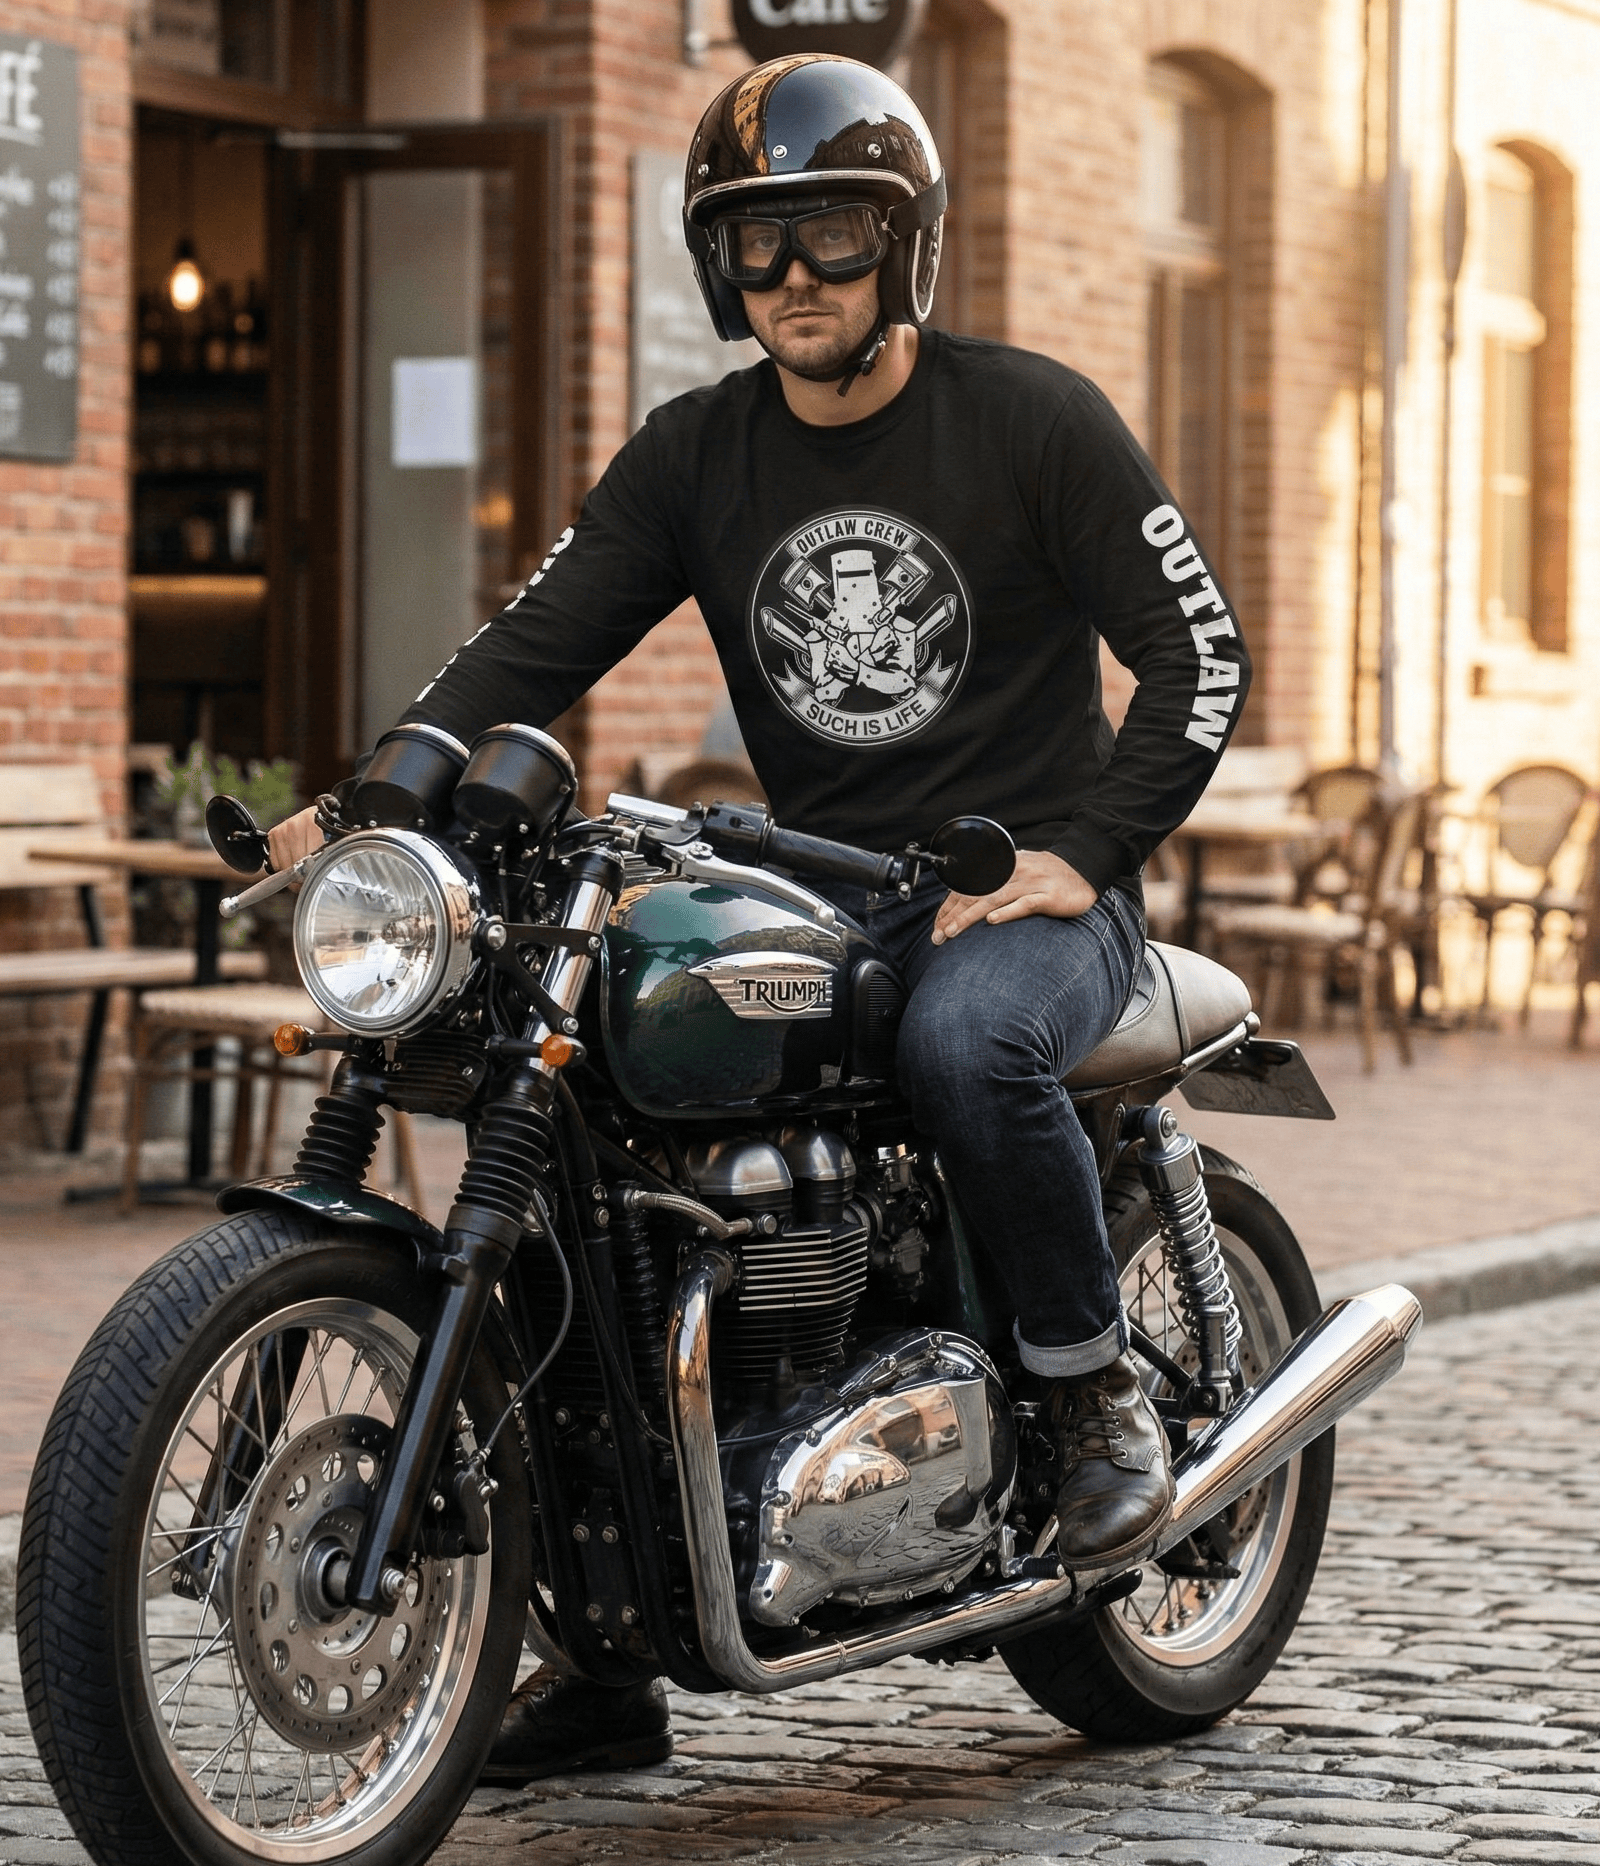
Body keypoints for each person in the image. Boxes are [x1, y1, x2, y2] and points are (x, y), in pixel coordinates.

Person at [268, 52, 1250, 1780]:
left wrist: (1086, 851)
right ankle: (599, 1628)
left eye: (831, 238)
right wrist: (370, 801)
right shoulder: (695, 453)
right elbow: (531, 639)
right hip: (815, 893)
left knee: (964, 1037)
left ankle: (1090, 1391)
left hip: (1015, 900)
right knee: (576, 1080)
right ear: (720, 268)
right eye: (756, 246)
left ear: (904, 247)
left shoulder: (1030, 418)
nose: (793, 278)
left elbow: (1199, 653)